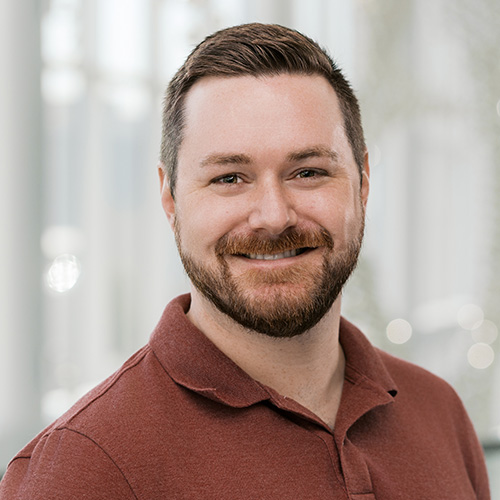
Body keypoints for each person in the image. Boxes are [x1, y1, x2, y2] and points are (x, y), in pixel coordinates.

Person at [0, 23, 490, 500]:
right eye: (230, 178)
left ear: (362, 182)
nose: (273, 216)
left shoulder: (438, 411)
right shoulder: (84, 467)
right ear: (170, 199)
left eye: (308, 171)